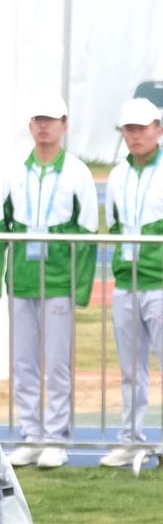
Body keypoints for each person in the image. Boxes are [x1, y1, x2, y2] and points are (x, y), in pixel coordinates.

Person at [0, 96, 96, 469]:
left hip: (59, 280)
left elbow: (88, 233)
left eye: (50, 120)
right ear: (30, 125)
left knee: (58, 361)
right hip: (23, 279)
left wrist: (81, 286)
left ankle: (56, 437)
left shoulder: (78, 173)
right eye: (38, 119)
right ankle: (30, 434)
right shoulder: (13, 169)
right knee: (24, 361)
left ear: (64, 123)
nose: (43, 126)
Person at [104, 98, 163, 469]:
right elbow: (114, 223)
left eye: (141, 128)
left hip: (160, 283)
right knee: (130, 368)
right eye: (129, 129)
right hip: (127, 282)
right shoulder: (116, 176)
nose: (135, 136)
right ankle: (130, 439)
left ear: (158, 129)